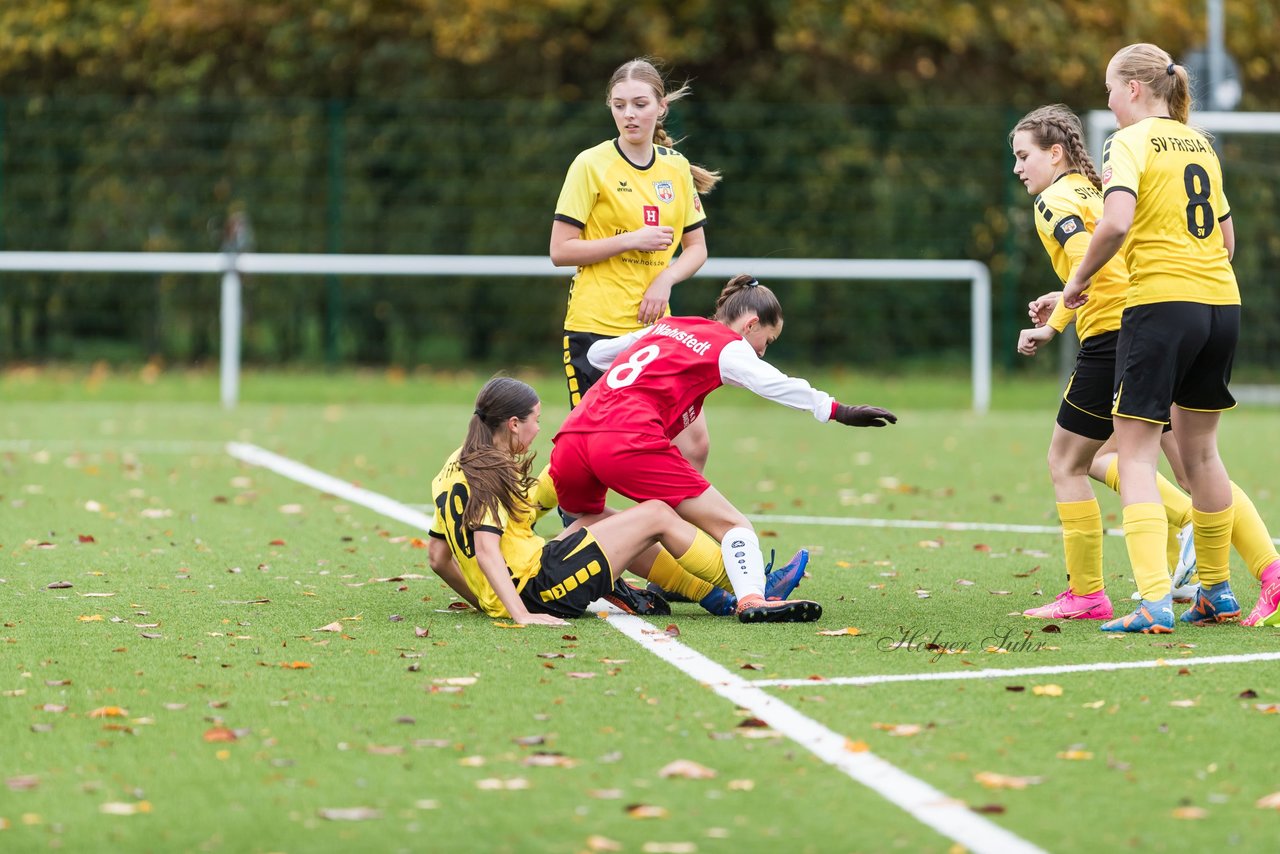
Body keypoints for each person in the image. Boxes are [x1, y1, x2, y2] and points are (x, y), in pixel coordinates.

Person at [1061, 43, 1280, 632]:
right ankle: (1216, 592)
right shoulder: (1200, 144)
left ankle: (1155, 599)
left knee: (1132, 451)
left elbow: (1117, 221)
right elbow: (1228, 243)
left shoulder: (1128, 142)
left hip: (1162, 304)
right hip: (1221, 304)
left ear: (1133, 89)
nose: (1108, 101)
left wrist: (1076, 281)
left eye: (1110, 88)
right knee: (1203, 453)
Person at [549, 274, 898, 624]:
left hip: (573, 436)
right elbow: (772, 383)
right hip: (626, 439)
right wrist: (837, 411)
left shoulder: (671, 325)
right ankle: (751, 597)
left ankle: (539, 576)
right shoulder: (728, 345)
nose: (762, 351)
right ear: (751, 324)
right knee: (734, 524)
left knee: (588, 521)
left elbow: (597, 353)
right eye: (767, 340)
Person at [1009, 104, 1202, 620]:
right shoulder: (1095, 192)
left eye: (1024, 155)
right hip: (1148, 325)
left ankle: (1091, 592)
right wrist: (1063, 300)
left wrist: (1051, 326)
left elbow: (1081, 260)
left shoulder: (1053, 199)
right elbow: (1107, 263)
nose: (1017, 167)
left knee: (1068, 461)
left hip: (1113, 335)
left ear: (1055, 154)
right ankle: (1203, 540)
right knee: (1165, 460)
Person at [426, 377, 799, 625]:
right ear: (512, 424)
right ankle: (753, 588)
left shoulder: (453, 465)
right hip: (537, 588)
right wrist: (519, 613)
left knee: (590, 519)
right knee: (656, 513)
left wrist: (487, 603)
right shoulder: (489, 472)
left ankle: (718, 594)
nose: (538, 428)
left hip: (528, 579)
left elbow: (438, 559)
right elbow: (486, 549)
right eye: (535, 420)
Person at [550, 57, 718, 471]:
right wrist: (631, 240)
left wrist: (666, 278)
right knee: (591, 455)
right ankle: (565, 527)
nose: (629, 114)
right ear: (609, 106)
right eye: (620, 104)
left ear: (661, 107)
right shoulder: (590, 165)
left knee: (693, 443)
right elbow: (561, 250)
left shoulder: (675, 168)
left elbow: (696, 248)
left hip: (655, 332)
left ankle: (667, 532)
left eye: (640, 104)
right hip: (597, 330)